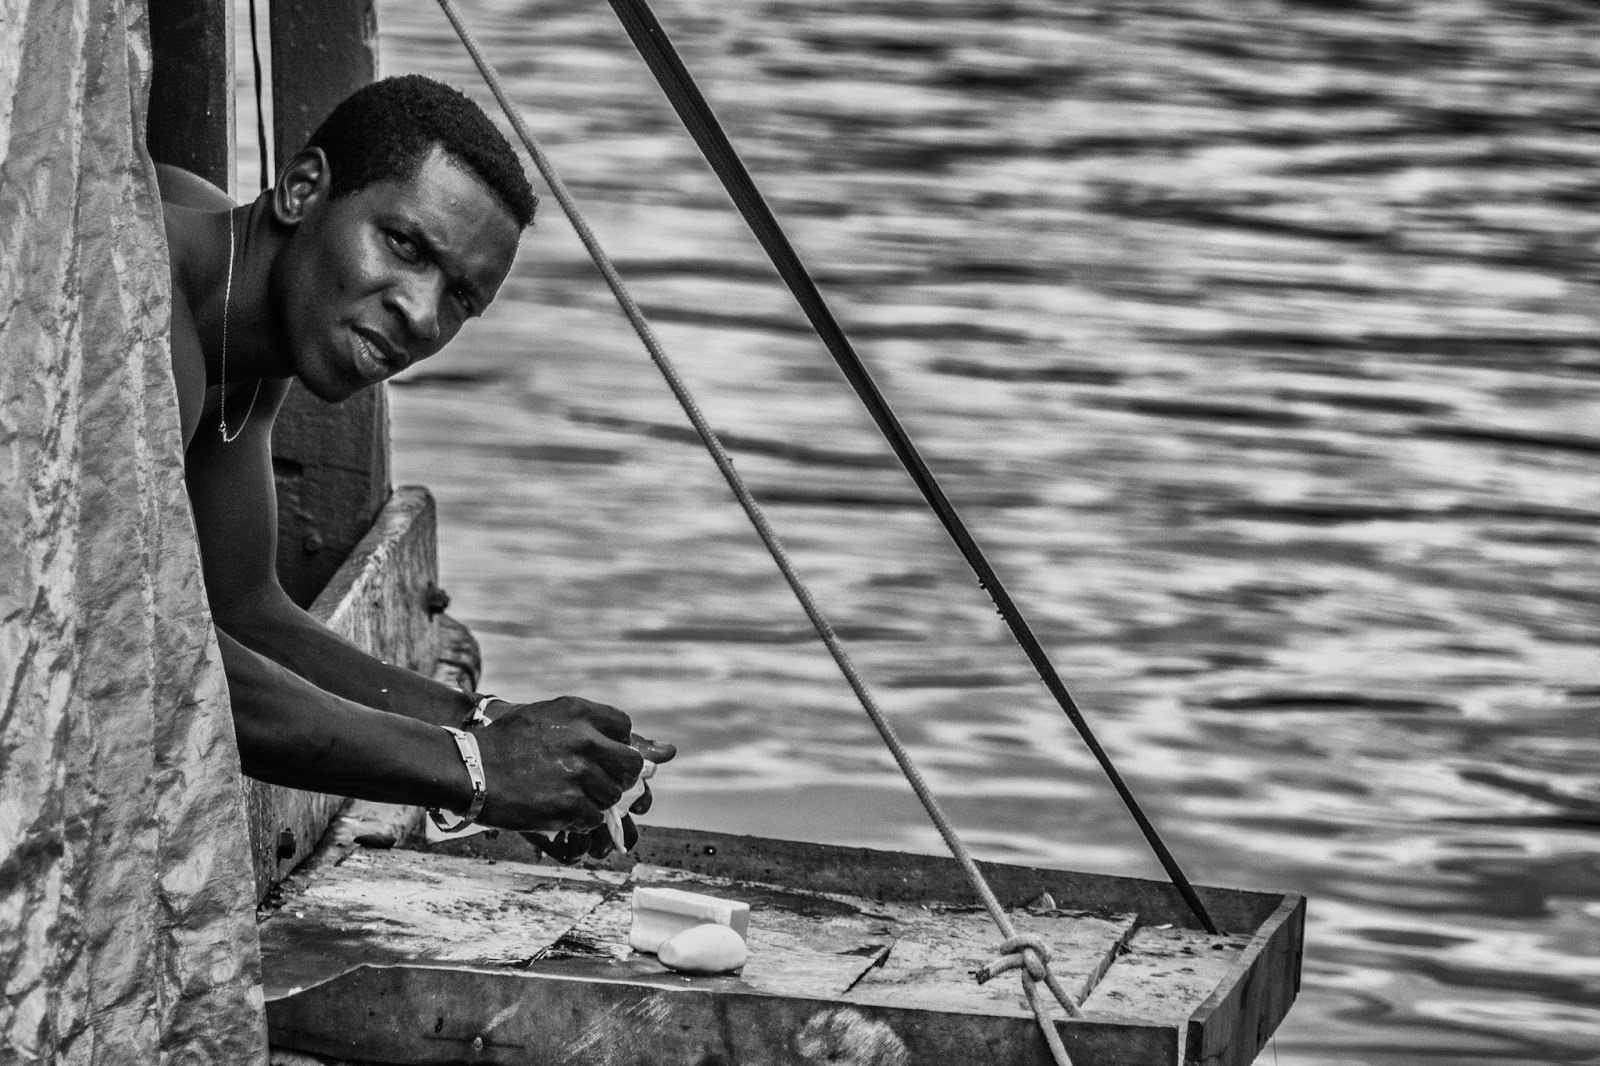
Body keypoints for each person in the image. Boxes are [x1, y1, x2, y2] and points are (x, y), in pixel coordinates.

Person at [158, 74, 671, 860]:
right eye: (403, 245)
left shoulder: (245, 314)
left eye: (462, 297)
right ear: (303, 190)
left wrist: (482, 723)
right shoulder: (142, 302)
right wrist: (471, 771)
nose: (423, 316)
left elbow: (241, 606)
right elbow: (156, 662)